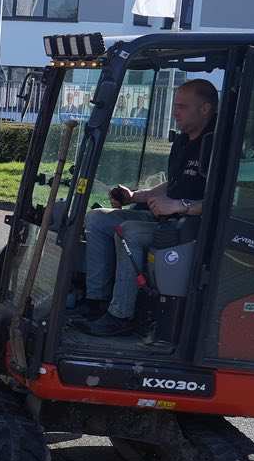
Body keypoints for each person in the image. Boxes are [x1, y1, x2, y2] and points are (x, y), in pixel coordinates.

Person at [75, 78, 217, 337]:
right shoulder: (184, 141)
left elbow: (222, 202)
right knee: (96, 219)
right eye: (175, 105)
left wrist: (178, 206)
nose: (175, 112)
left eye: (182, 106)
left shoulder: (218, 146)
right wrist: (134, 197)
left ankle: (121, 314)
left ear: (205, 109)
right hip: (166, 217)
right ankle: (96, 301)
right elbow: (173, 185)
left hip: (192, 227)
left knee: (126, 229)